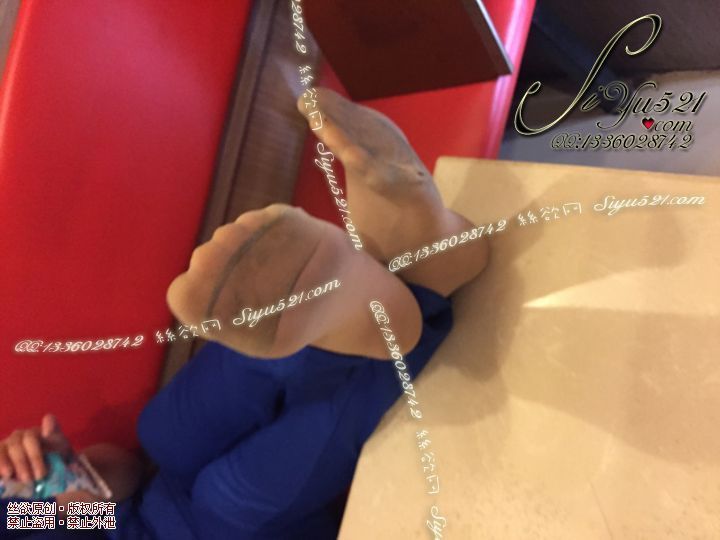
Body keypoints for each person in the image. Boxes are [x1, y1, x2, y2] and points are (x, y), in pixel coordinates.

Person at [1, 89, 489, 539]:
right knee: (226, 499)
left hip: (158, 492)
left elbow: (115, 491)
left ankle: (377, 278)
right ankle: (417, 278)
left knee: (165, 429)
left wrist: (71, 474)